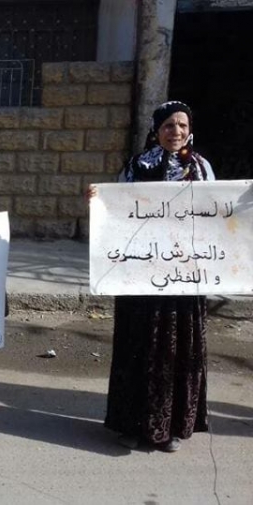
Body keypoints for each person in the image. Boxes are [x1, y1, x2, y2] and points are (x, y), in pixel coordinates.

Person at [97, 101, 213, 452]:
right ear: (156, 130)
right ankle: (131, 426)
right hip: (141, 274)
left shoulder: (200, 168)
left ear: (189, 130)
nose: (176, 132)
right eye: (168, 125)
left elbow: (217, 213)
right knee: (139, 345)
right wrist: (98, 199)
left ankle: (170, 428)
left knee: (176, 351)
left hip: (183, 275)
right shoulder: (138, 165)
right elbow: (116, 210)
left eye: (182, 125)